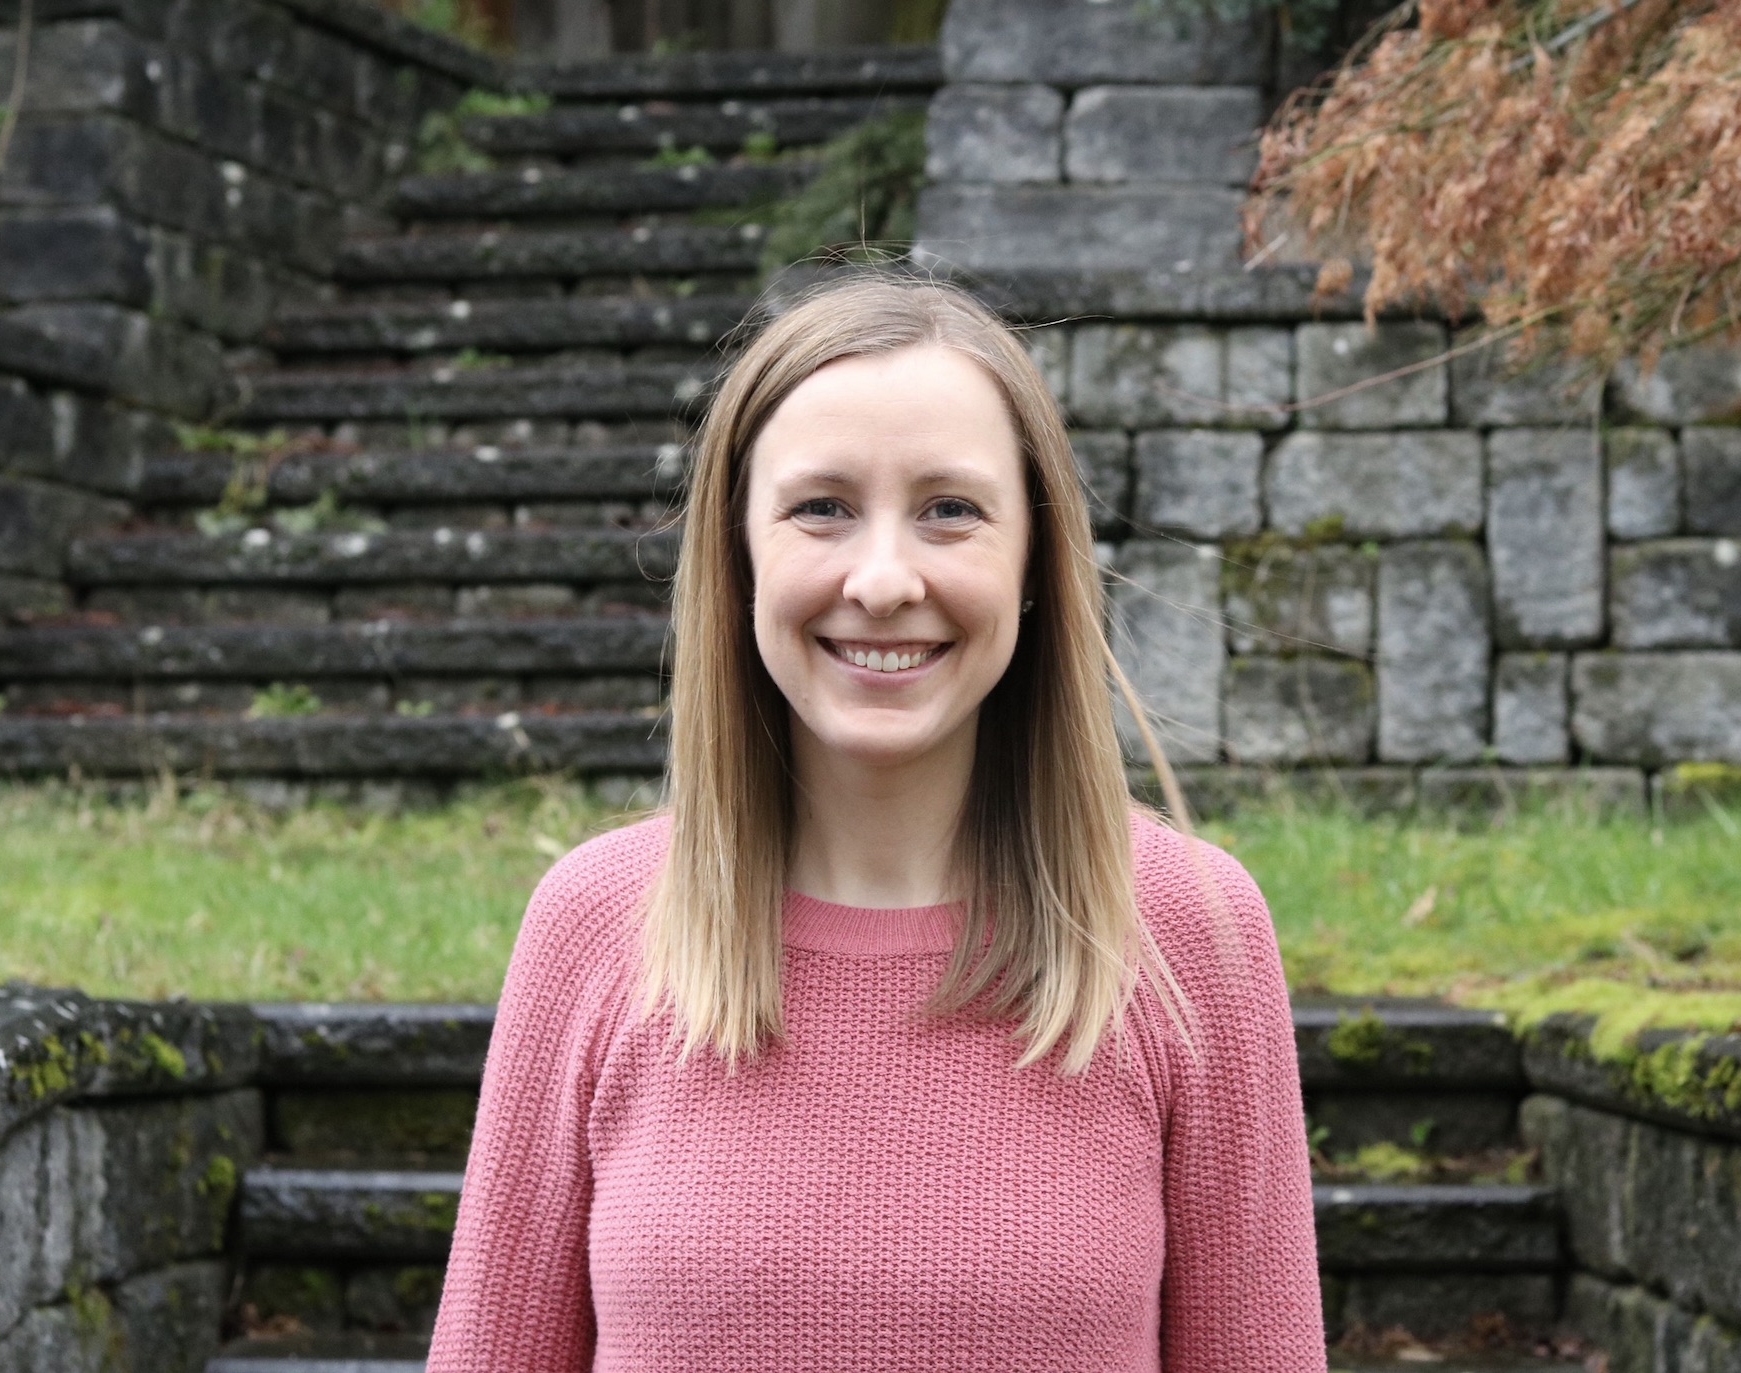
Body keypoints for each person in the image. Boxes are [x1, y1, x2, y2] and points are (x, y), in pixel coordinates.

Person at [427, 276, 1325, 1372]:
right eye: (822, 507)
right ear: (738, 553)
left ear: (1037, 557)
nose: (886, 578)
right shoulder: (595, 924)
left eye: (952, 508)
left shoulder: (1190, 931)